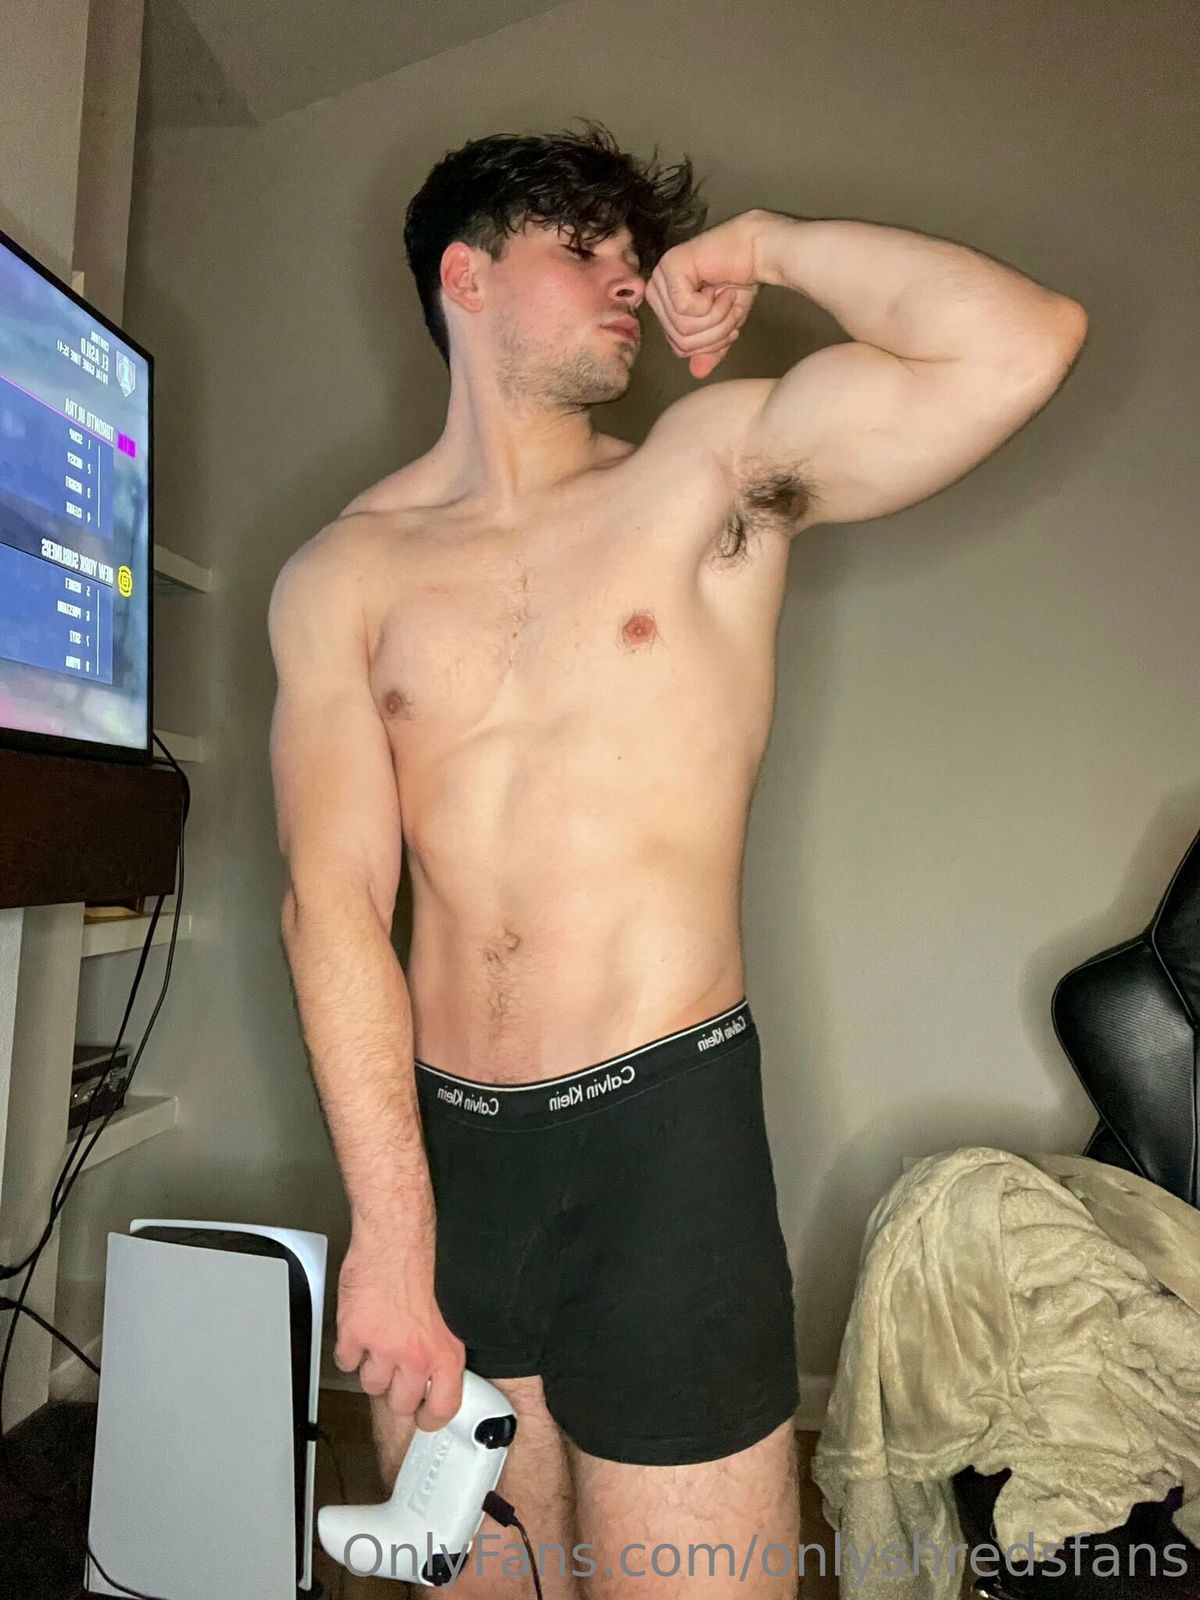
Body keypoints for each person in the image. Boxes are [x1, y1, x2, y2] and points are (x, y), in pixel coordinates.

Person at [268, 120, 1086, 1598]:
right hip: (448, 1163)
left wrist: (767, 246)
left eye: (638, 255)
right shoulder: (343, 573)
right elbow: (332, 899)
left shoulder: (708, 475)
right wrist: (390, 1228)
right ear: (465, 275)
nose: (630, 279)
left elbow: (1019, 343)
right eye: (584, 246)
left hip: (665, 1147)